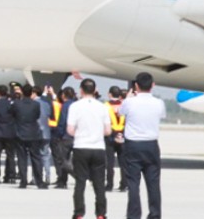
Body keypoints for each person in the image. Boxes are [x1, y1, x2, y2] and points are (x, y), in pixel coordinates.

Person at [118, 72, 166, 219]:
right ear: (153, 85)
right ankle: (155, 214)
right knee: (153, 183)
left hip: (133, 144)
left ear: (136, 86)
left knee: (133, 183)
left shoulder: (130, 102)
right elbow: (161, 115)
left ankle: (133, 215)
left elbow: (120, 113)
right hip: (151, 144)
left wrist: (128, 98)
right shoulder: (159, 103)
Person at [68, 78, 111, 219]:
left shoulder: (75, 106)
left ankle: (79, 213)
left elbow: (70, 129)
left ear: (81, 90)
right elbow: (108, 131)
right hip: (98, 147)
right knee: (99, 184)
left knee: (80, 182)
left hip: (81, 147)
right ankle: (101, 213)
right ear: (95, 90)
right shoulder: (103, 107)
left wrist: (81, 134)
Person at [13, 86, 46, 189]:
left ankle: (23, 181)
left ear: (22, 92)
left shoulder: (17, 104)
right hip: (33, 133)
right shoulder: (36, 104)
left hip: (20, 133)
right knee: (36, 158)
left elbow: (12, 114)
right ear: (31, 92)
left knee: (22, 158)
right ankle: (39, 181)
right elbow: (37, 116)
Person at [53, 86, 78, 189]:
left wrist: (59, 134)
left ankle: (64, 180)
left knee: (62, 159)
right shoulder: (77, 105)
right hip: (78, 136)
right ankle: (64, 180)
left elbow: (62, 121)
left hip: (66, 136)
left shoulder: (66, 105)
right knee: (76, 160)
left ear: (63, 95)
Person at [105, 86, 126, 192]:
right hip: (122, 134)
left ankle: (109, 184)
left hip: (110, 135)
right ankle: (124, 184)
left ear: (110, 94)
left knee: (110, 162)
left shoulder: (106, 106)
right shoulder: (124, 105)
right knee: (123, 162)